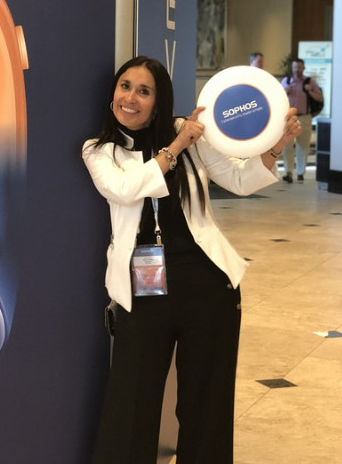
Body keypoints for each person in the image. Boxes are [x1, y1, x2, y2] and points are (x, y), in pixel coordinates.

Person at [82, 56, 301, 464]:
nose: (130, 98)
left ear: (159, 101)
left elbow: (238, 180)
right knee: (131, 403)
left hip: (207, 285)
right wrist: (175, 148)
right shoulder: (99, 150)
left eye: (144, 91)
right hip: (143, 292)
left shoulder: (187, 133)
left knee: (208, 403)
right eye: (125, 86)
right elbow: (124, 190)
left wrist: (276, 145)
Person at [281, 57, 324, 183]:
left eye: (299, 67)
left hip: (305, 117)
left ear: (303, 68)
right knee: (287, 146)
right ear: (292, 68)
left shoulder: (310, 82)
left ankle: (300, 173)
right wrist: (285, 91)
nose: (297, 69)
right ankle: (288, 172)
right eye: (295, 67)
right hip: (289, 117)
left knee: (303, 146)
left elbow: (320, 98)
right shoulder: (286, 81)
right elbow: (277, 98)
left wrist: (310, 91)